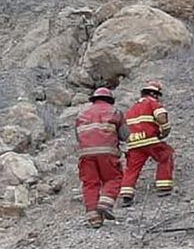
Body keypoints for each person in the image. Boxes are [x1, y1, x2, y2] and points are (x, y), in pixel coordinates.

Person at [74, 87, 128, 229]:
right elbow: (125, 135)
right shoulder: (114, 112)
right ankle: (105, 204)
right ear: (110, 100)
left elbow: (78, 136)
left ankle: (94, 217)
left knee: (90, 184)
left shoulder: (81, 114)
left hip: (85, 154)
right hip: (108, 153)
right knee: (114, 178)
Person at [120, 81, 175, 206]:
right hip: (150, 140)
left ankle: (126, 195)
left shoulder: (132, 109)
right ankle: (163, 186)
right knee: (165, 155)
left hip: (134, 143)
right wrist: (165, 131)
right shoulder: (152, 103)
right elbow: (161, 117)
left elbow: (123, 128)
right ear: (154, 94)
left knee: (132, 168)